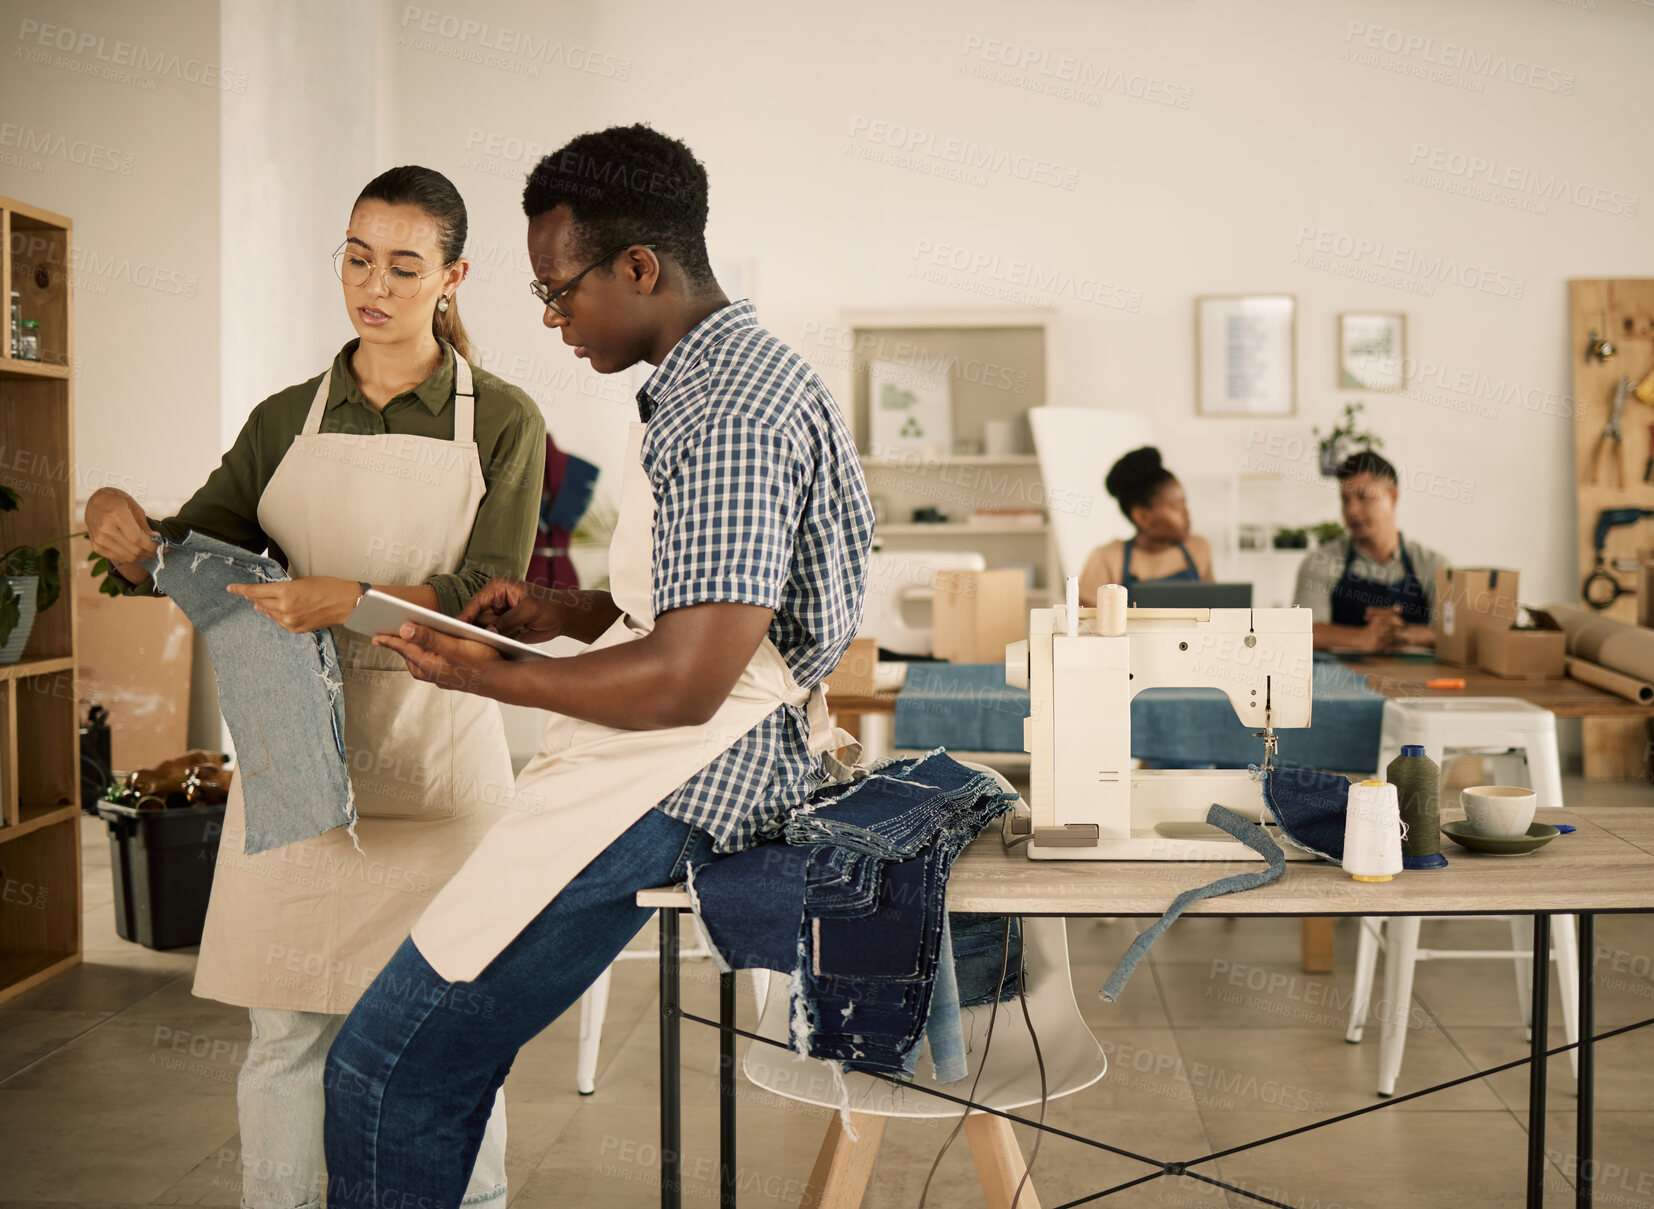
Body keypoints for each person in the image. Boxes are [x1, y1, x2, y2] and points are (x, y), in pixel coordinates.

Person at [321, 124, 875, 1206]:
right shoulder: (712, 380)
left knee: (386, 1069)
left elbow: (687, 679)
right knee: (421, 1064)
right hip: (666, 750)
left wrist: (482, 673)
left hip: (680, 765)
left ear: (638, 268)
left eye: (558, 291)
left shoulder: (728, 409)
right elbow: (689, 610)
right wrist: (556, 612)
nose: (550, 318)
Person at [84, 166, 546, 1209]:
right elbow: (182, 553)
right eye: (354, 256)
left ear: (453, 277)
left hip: (436, 772)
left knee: (446, 1036)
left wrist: (354, 598)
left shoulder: (502, 420)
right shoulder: (284, 419)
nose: (371, 285)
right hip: (295, 763)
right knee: (284, 1038)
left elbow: (491, 592)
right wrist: (118, 521)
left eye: (402, 264)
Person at [1294, 450, 1446, 652]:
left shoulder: (1433, 566)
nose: (1352, 510)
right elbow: (1302, 632)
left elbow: (1455, 635)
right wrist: (1363, 638)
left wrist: (1402, 633)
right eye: (1345, 500)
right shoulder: (1320, 562)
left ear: (1393, 496)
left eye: (1363, 497)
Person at [1078, 445, 1213, 604]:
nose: (1186, 514)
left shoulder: (1198, 548)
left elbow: (1213, 613)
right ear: (1142, 517)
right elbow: (1083, 623)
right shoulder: (1106, 559)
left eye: (1185, 504)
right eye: (1176, 506)